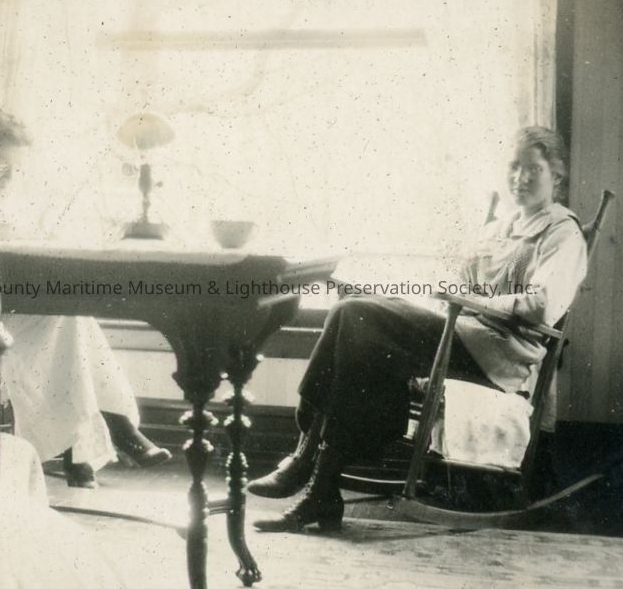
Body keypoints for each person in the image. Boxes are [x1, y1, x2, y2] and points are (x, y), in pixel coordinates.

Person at [248, 126, 588, 532]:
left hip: (498, 354)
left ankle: (310, 467)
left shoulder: (562, 233)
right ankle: (316, 475)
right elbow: (460, 285)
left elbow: (542, 305)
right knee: (348, 313)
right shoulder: (499, 229)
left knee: (357, 316)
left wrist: (474, 301)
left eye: (533, 169)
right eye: (514, 167)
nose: (521, 177)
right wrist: (457, 295)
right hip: (465, 332)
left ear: (556, 175)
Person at [0, 106, 171, 488]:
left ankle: (100, 440)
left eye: (16, 169)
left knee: (69, 316)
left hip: (10, 314)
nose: (6, 177)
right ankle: (108, 436)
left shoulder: (20, 209)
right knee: (68, 319)